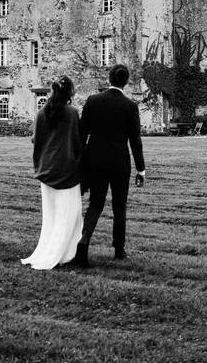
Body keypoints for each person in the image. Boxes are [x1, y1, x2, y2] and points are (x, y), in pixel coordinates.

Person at [72, 64, 145, 266]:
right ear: (126, 81)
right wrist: (141, 169)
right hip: (119, 161)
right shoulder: (130, 106)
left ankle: (84, 240)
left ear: (109, 79)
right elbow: (135, 140)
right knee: (119, 206)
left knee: (96, 202)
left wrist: (81, 160)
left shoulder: (93, 101)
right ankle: (119, 249)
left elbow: (82, 133)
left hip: (95, 158)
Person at [21, 76, 84, 270]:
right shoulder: (72, 113)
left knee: (51, 216)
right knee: (69, 214)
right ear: (69, 93)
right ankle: (62, 254)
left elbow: (35, 140)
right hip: (66, 169)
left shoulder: (41, 113)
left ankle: (50, 251)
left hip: (46, 169)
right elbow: (77, 143)